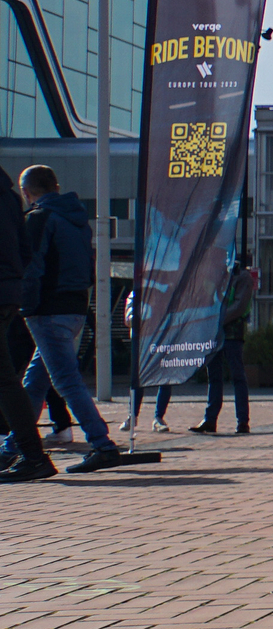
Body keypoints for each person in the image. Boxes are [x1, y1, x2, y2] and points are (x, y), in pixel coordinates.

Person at [13, 165, 116, 472]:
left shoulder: (39, 218)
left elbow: (32, 268)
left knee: (66, 381)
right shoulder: (78, 219)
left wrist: (24, 308)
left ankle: (102, 443)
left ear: (26, 192)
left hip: (47, 310)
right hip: (74, 308)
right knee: (36, 381)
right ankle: (12, 447)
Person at [0, 164, 54, 482]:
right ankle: (31, 453)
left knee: (5, 380)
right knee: (5, 378)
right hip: (8, 293)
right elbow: (24, 249)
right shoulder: (9, 198)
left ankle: (33, 455)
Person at [195, 249, 254, 435]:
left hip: (232, 334)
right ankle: (210, 419)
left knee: (237, 376)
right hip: (214, 334)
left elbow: (239, 306)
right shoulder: (215, 276)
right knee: (214, 377)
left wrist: (216, 320)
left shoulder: (242, 277)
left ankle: (242, 421)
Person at [123, 290, 172, 433]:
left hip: (162, 338)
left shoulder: (165, 290)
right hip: (141, 341)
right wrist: (138, 316)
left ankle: (159, 418)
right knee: (137, 379)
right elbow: (129, 319)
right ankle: (132, 415)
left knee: (165, 377)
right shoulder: (135, 293)